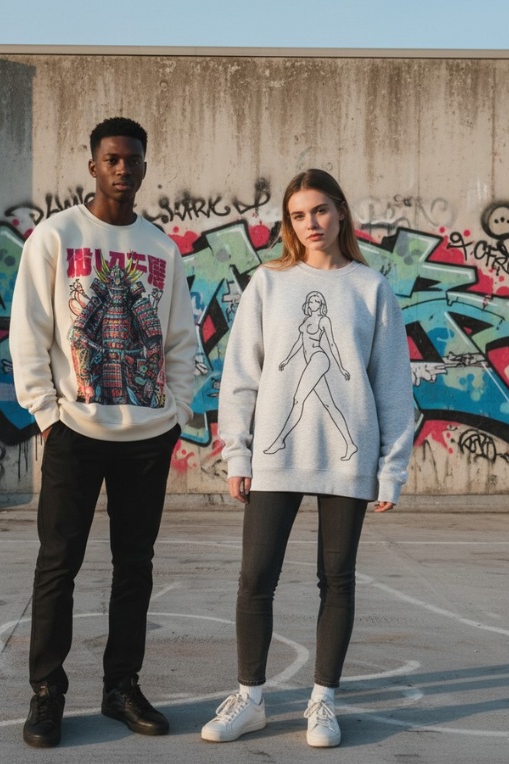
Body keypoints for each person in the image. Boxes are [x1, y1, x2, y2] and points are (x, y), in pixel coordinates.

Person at [200, 169, 418, 748]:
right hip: (275, 459)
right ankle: (250, 699)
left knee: (337, 580)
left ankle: (323, 701)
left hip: (348, 467)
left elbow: (393, 384)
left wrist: (391, 467)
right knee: (255, 579)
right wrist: (238, 453)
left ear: (341, 213)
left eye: (320, 211)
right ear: (289, 224)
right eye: (299, 215)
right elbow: (241, 376)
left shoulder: (371, 288)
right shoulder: (268, 284)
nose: (311, 224)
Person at [9, 116, 199, 749]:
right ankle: (47, 694)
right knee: (58, 564)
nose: (122, 168)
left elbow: (178, 338)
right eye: (112, 159)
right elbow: (30, 328)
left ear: (145, 168)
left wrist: (175, 414)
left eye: (133, 160)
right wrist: (45, 412)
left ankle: (121, 687)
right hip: (76, 428)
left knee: (135, 566)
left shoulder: (162, 249)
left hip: (147, 432)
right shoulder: (57, 235)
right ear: (92, 165)